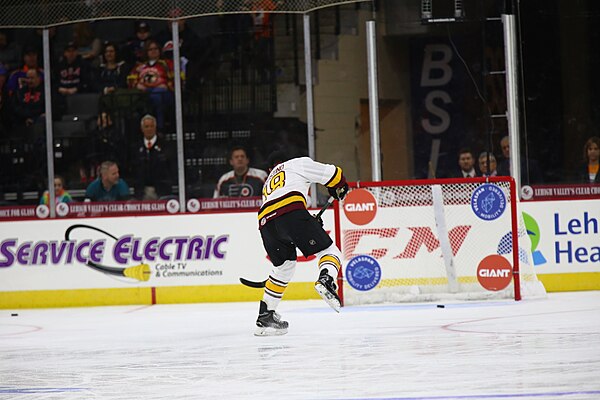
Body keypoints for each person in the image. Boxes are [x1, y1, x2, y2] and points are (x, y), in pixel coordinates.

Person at [254, 151, 349, 336]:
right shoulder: (297, 163)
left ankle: (265, 316)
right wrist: (340, 186)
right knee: (330, 251)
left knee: (284, 267)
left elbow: (278, 210)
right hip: (290, 213)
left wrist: (307, 222)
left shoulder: (268, 183)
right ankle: (326, 279)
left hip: (266, 223)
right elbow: (335, 174)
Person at [133, 114, 173, 199]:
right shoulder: (136, 146)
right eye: (146, 126)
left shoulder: (165, 145)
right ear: (142, 129)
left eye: (151, 126)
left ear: (155, 127)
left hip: (162, 190)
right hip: (142, 191)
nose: (149, 129)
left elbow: (170, 165)